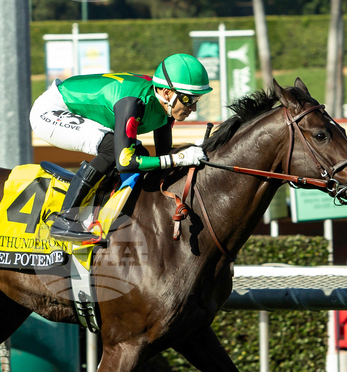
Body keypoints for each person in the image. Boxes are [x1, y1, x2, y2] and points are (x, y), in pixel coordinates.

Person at [30, 53, 213, 242]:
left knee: (140, 154)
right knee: (113, 150)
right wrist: (179, 158)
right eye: (188, 100)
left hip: (81, 105)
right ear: (167, 93)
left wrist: (194, 150)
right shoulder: (132, 104)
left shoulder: (166, 108)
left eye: (196, 100)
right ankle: (65, 220)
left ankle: (100, 210)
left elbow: (164, 154)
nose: (193, 108)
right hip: (51, 109)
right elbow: (125, 162)